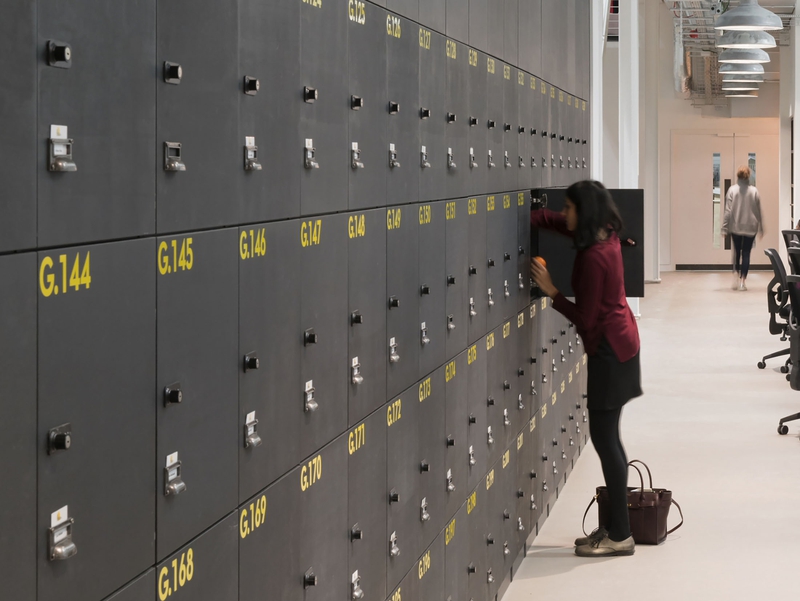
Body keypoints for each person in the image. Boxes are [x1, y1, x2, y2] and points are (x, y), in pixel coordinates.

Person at [530, 180, 642, 557]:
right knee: (608, 438)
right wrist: (526, 214)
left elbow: (587, 319)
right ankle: (613, 526)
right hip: (622, 344)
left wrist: (552, 292)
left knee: (605, 439)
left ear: (584, 210)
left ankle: (620, 534)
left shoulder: (596, 257)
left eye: (569, 208)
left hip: (611, 351)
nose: (565, 214)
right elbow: (559, 223)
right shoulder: (602, 233)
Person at [721, 165, 763, 291]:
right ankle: (742, 282)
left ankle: (735, 274)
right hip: (751, 227)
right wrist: (761, 227)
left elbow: (728, 211)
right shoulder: (754, 191)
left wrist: (724, 228)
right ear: (748, 176)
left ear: (737, 176)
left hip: (736, 226)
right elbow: (758, 211)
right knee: (746, 254)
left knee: (736, 252)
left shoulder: (732, 190)